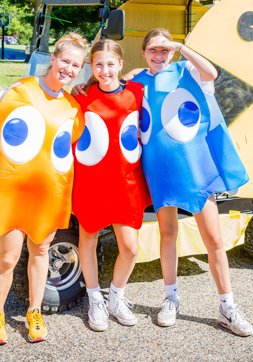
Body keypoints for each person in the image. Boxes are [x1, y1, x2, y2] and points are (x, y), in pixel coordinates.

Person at [0, 33, 87, 345]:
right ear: (53, 59)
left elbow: (66, 156)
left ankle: (34, 310)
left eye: (76, 65)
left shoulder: (72, 107)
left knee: (41, 251)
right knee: (8, 256)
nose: (69, 69)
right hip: (13, 193)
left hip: (45, 196)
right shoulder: (19, 91)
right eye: (65, 61)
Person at [131, 29, 253, 336]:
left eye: (164, 49)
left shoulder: (188, 71)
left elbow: (212, 72)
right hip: (159, 170)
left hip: (194, 170)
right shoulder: (137, 81)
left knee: (213, 240)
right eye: (153, 50)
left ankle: (228, 306)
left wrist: (180, 47)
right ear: (143, 52)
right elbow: (108, 86)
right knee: (168, 234)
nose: (159, 55)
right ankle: (170, 299)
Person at [72, 39, 152, 332]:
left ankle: (116, 298)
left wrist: (136, 72)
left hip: (126, 183)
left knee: (130, 248)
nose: (104, 70)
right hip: (91, 183)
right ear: (91, 68)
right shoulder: (82, 96)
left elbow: (150, 72)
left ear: (120, 64)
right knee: (88, 240)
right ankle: (95, 299)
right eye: (98, 64)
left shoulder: (136, 91)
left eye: (110, 64)